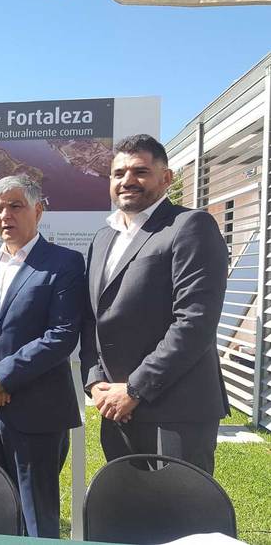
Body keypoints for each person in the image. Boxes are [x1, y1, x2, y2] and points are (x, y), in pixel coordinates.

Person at [80, 134, 229, 475]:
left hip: (175, 409)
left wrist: (135, 388)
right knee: (130, 511)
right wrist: (96, 381)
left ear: (166, 178)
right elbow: (93, 317)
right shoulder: (104, 238)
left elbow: (195, 321)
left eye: (140, 171)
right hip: (116, 408)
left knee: (182, 517)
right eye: (118, 173)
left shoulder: (190, 226)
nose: (127, 180)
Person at [0, 175, 85, 538]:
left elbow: (61, 335)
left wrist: (3, 376)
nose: (5, 215)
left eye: (15, 206)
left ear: (38, 211)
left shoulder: (65, 263)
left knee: (37, 517)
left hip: (36, 414)